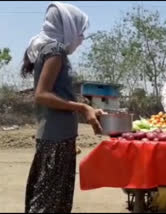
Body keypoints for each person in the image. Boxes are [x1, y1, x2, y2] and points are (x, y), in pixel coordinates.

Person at [21, 2, 103, 213]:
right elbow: (42, 95)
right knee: (47, 202)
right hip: (56, 138)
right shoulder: (55, 50)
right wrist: (83, 109)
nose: (82, 37)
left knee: (52, 198)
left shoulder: (48, 49)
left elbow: (58, 95)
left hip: (56, 135)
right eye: (81, 31)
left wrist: (88, 108)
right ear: (68, 27)